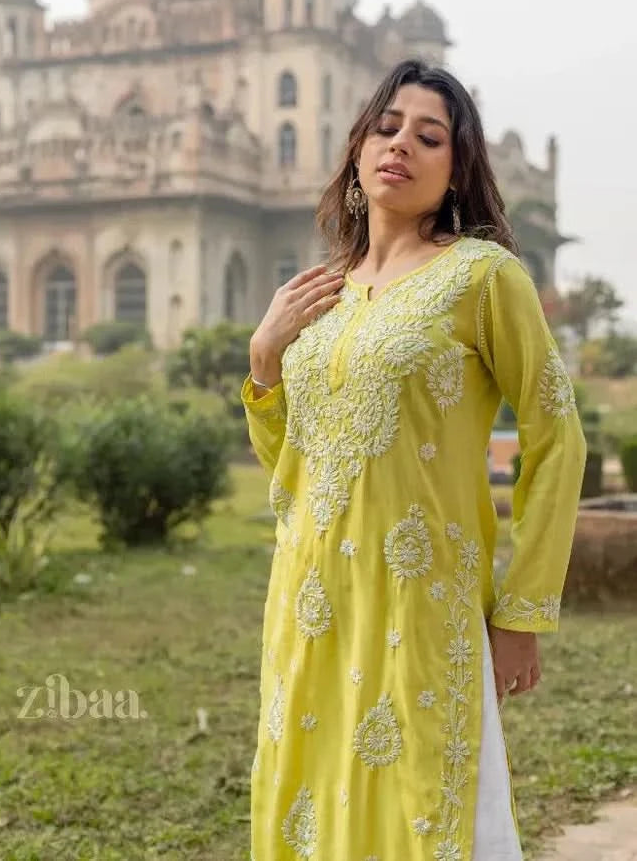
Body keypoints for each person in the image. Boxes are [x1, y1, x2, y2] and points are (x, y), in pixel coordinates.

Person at [241, 59, 586, 861]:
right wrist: (264, 360)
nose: (401, 144)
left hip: (422, 597)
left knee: (425, 801)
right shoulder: (321, 295)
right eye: (386, 127)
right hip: (311, 595)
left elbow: (554, 435)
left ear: (455, 169)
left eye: (429, 136)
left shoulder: (482, 275)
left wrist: (522, 613)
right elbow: (292, 464)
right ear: (359, 150)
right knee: (312, 799)